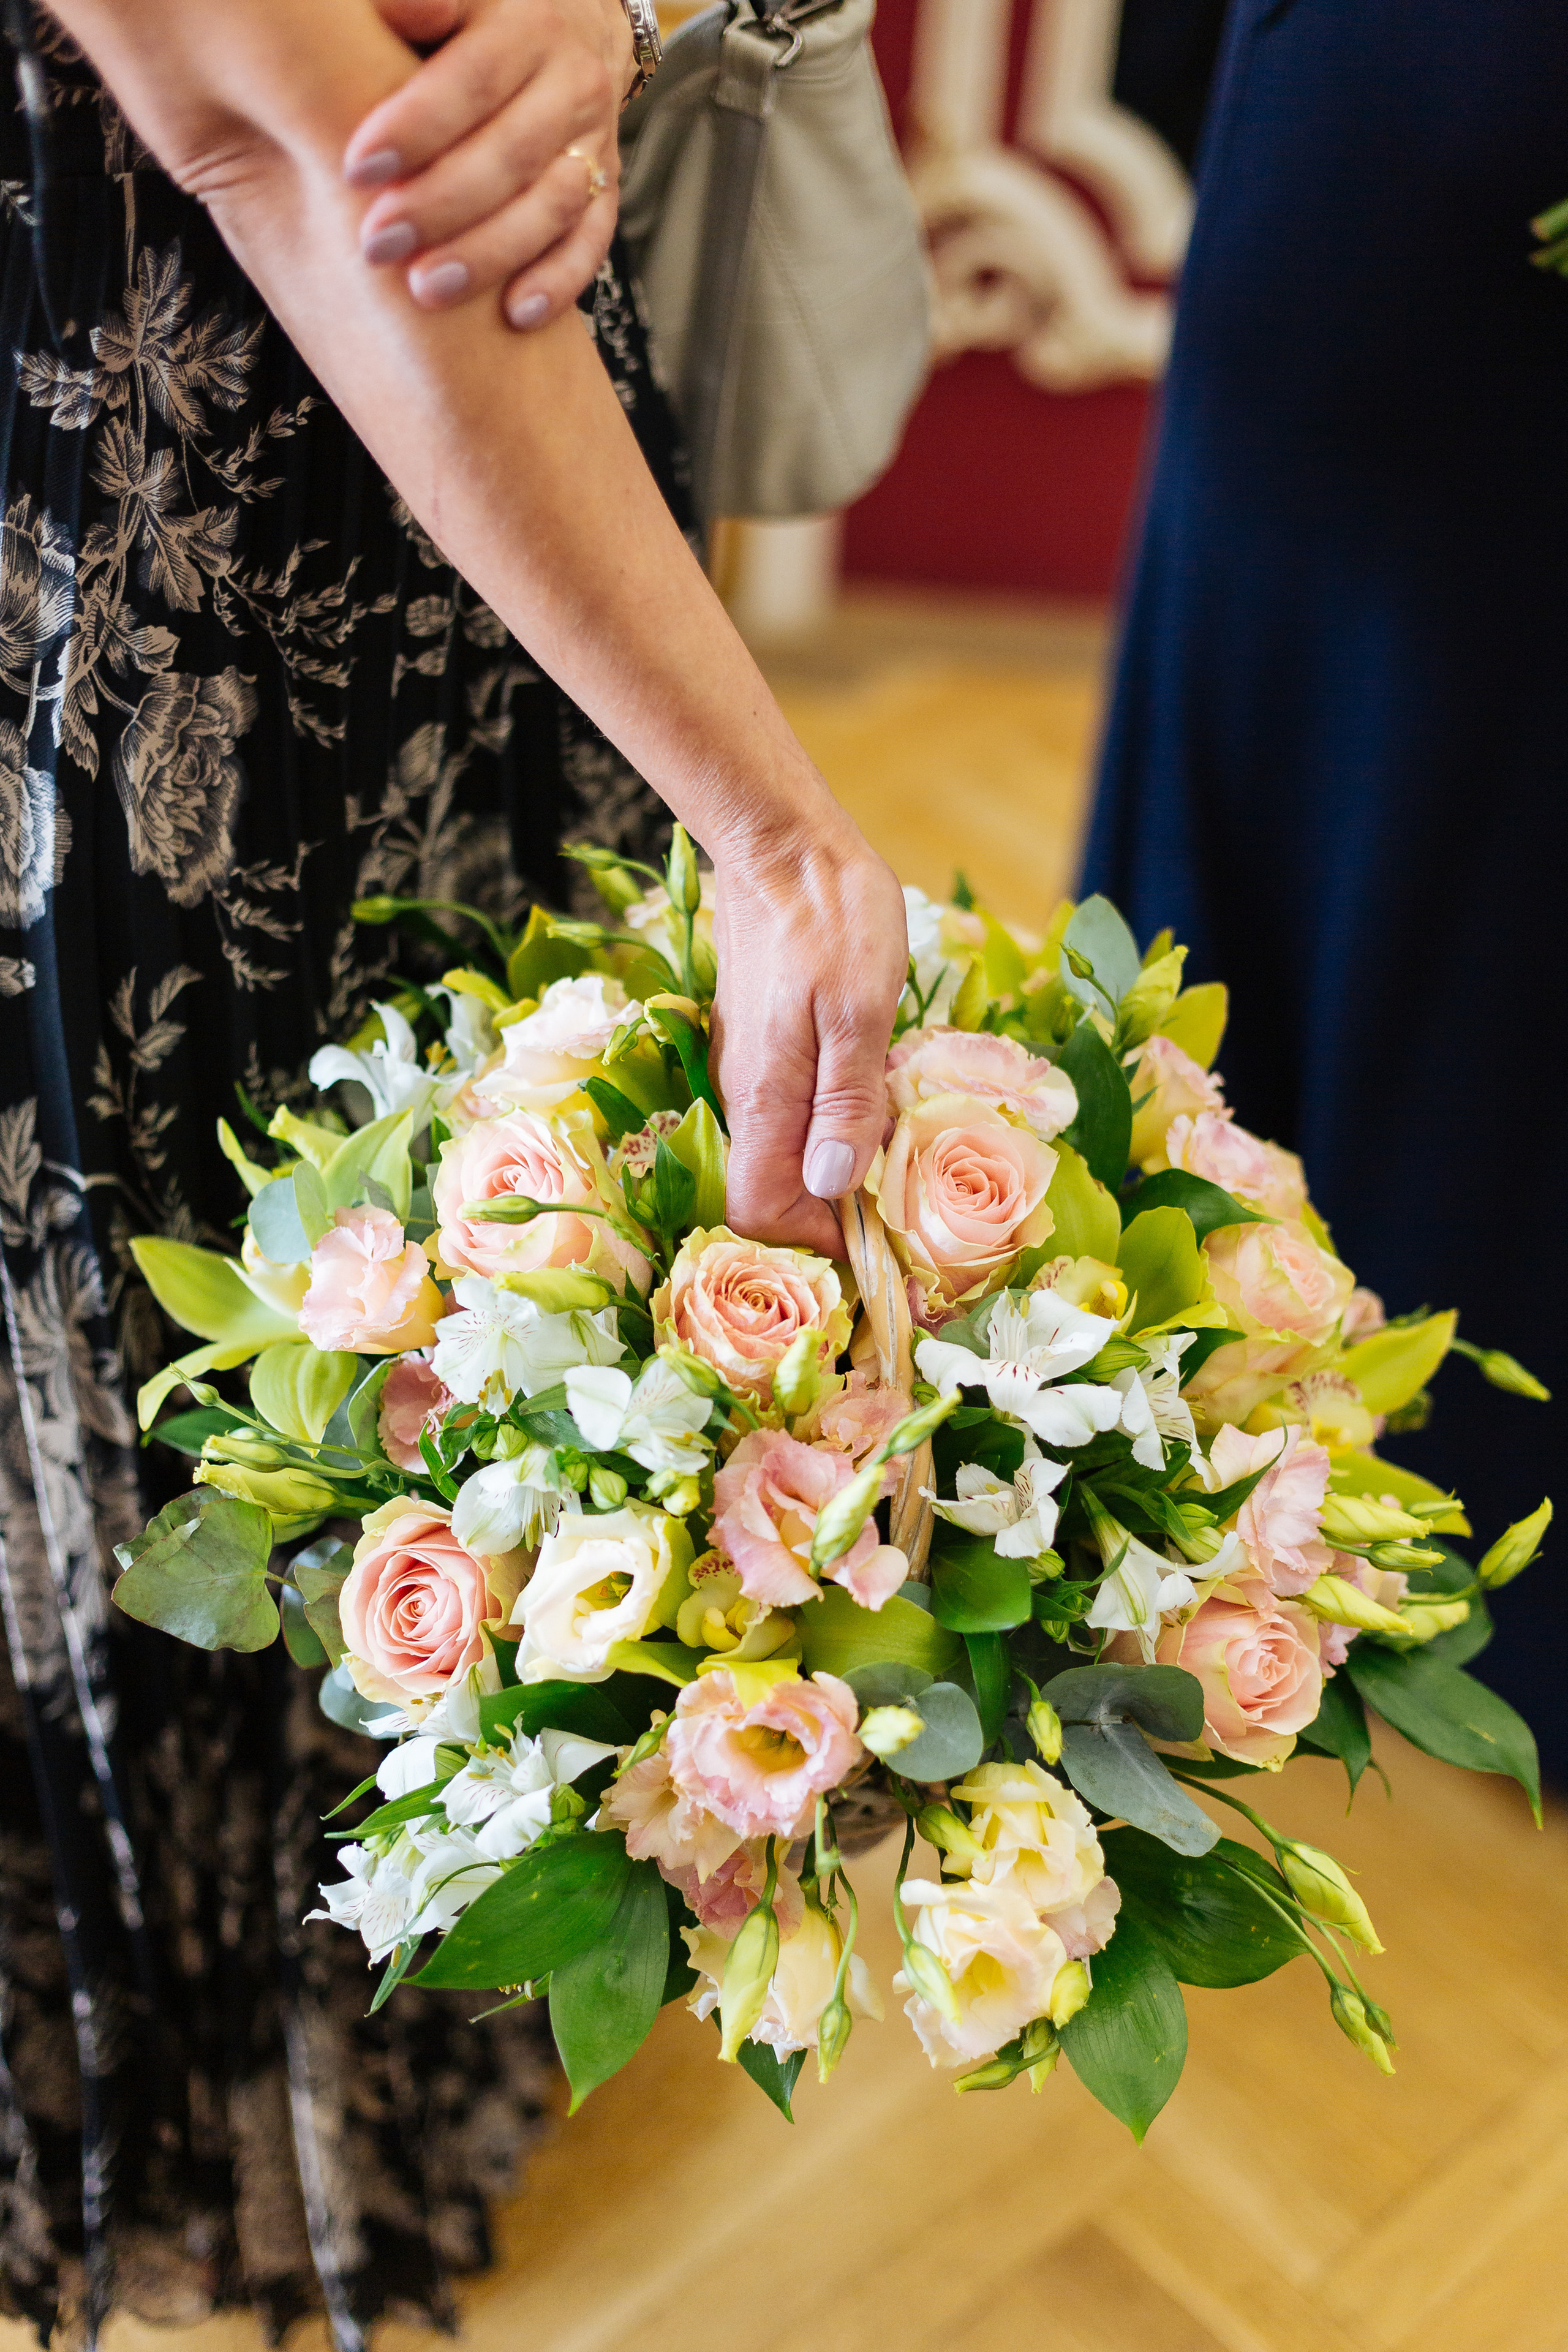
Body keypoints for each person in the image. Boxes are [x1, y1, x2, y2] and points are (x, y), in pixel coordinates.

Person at [0, 1, 907, 2339]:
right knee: (179, 1347)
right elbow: (283, 136)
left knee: (496, 1281)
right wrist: (780, 835)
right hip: (122, 509)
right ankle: (188, 2080)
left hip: (523, 514)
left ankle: (431, 1959)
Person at [1082, 0, 1568, 1777]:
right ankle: (1165, 1467)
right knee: (1286, 758)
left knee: (1492, 844)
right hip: (1380, 149)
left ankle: (1449, 1525)